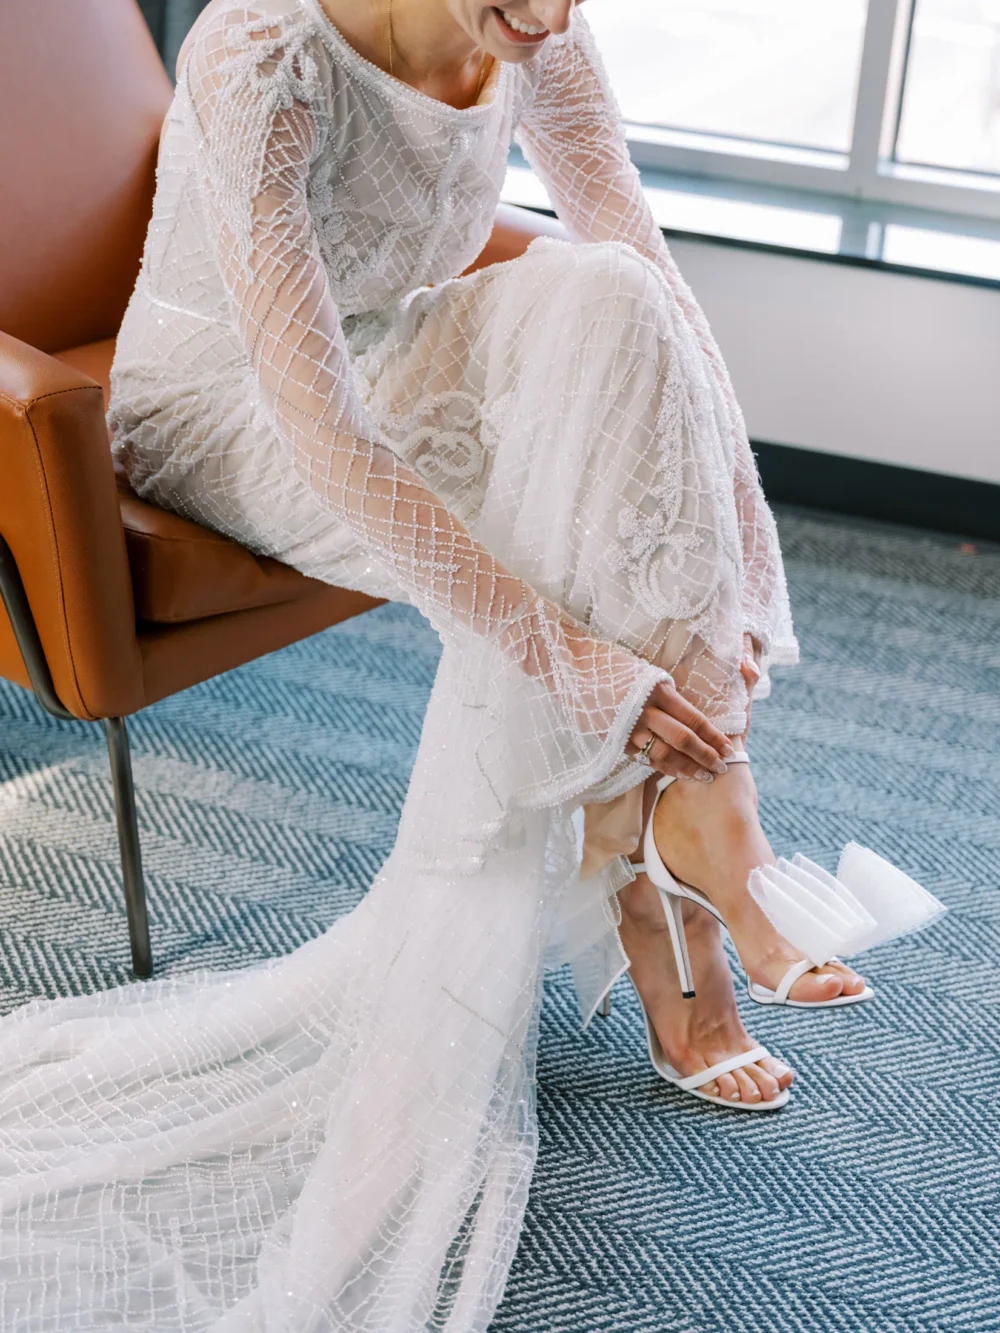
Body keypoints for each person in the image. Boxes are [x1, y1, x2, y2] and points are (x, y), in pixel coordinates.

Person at [0, 2, 941, 1329]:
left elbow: (647, 276)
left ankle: (687, 799)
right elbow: (312, 413)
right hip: (225, 414)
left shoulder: (538, 25)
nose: (549, 17)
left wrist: (735, 576)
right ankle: (674, 870)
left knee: (611, 303)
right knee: (564, 515)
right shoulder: (260, 57)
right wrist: (562, 655)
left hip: (393, 349)